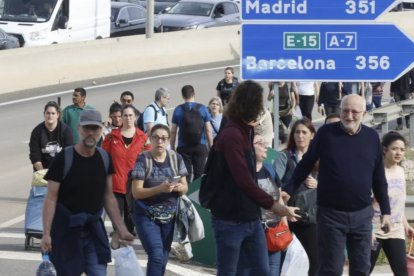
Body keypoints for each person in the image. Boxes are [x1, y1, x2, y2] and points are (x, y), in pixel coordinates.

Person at [288, 94, 391, 275]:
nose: (349, 116)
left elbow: (379, 179)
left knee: (361, 269)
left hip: (362, 216)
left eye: (354, 112)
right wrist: (288, 190)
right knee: (331, 269)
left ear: (364, 113)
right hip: (331, 216)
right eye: (345, 111)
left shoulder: (372, 137)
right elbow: (305, 164)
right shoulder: (326, 134)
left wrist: (386, 212)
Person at [207, 80, 299, 275]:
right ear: (250, 105)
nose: (262, 108)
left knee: (262, 271)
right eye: (259, 103)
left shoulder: (244, 132)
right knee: (230, 272)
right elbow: (244, 179)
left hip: (251, 218)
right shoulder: (232, 135)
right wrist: (274, 205)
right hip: (230, 220)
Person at [40, 109, 135, 275]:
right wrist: (46, 234)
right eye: (87, 128)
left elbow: (108, 196)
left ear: (101, 131)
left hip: (93, 232)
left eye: (95, 129)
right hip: (66, 232)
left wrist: (121, 228)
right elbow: (51, 199)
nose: (91, 133)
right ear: (79, 129)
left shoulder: (104, 158)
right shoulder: (64, 158)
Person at [130, 124, 188, 276]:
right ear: (150, 139)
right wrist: (159, 189)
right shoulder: (143, 159)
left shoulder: (176, 158)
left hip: (169, 216)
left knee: (162, 258)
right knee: (156, 255)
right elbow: (136, 192)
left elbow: (185, 187)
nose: (160, 142)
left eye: (163, 138)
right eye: (156, 138)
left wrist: (175, 187)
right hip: (146, 215)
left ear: (169, 140)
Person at [274, 118, 319, 276]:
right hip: (285, 214)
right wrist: (284, 211)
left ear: (312, 135)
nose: (300, 136)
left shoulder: (318, 158)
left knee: (317, 259)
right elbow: (274, 186)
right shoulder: (285, 157)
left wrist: (318, 183)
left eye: (304, 132)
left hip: (308, 216)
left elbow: (332, 184)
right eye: (297, 132)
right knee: (277, 256)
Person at [102, 104, 150, 236]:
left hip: (134, 186)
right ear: (121, 117)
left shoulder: (143, 138)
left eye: (130, 115)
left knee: (130, 225)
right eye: (125, 115)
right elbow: (103, 159)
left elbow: (149, 161)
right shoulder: (111, 137)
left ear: (135, 117)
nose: (128, 118)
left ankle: (127, 246)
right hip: (115, 185)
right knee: (117, 224)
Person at [370, 131, 414, 275]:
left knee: (402, 272)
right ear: (384, 149)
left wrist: (406, 224)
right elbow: (366, 203)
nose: (398, 152)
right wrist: (368, 229)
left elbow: (399, 203)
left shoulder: (401, 172)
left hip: (396, 230)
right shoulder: (375, 172)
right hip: (374, 230)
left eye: (402, 149)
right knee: (363, 271)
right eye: (394, 148)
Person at [252, 134, 287, 276]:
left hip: (274, 231)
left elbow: (279, 198)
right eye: (260, 143)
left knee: (273, 270)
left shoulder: (270, 169)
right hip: (253, 231)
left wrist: (284, 225)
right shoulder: (242, 172)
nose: (266, 145)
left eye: (264, 142)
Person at [171, 85, 213, 183]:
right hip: (200, 146)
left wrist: (172, 147)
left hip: (183, 147)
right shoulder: (202, 108)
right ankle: (196, 197)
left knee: (185, 175)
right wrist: (211, 145)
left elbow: (173, 131)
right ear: (194, 94)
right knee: (199, 175)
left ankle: (186, 196)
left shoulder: (178, 110)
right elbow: (208, 129)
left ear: (182, 96)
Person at [29, 101, 73, 171]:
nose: (50, 116)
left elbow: (69, 154)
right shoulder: (37, 131)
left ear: (58, 115)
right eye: (48, 113)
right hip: (42, 170)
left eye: (53, 113)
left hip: (61, 169)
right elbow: (35, 155)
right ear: (44, 114)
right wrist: (42, 173)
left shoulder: (66, 131)